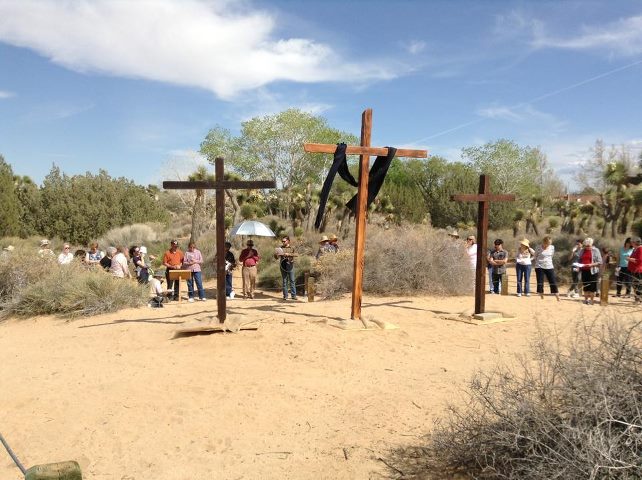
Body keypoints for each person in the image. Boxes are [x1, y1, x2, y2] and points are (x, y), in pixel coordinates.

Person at [533, 235, 560, 300]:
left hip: (549, 265)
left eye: (549, 243)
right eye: (547, 243)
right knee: (540, 281)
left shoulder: (552, 247)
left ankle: (556, 294)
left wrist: (547, 261)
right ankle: (541, 293)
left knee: (552, 280)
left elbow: (551, 256)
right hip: (539, 266)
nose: (548, 245)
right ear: (544, 242)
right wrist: (538, 263)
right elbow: (535, 256)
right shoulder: (538, 247)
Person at [577, 237, 602, 305]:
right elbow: (579, 260)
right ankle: (586, 300)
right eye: (586, 246)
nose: (587, 247)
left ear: (591, 244)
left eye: (589, 246)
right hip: (584, 270)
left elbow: (600, 262)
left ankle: (592, 300)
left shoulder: (596, 250)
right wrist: (578, 266)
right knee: (585, 286)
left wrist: (591, 265)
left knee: (592, 287)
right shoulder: (582, 250)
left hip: (593, 271)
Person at [275, 235, 297, 300]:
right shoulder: (280, 248)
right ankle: (285, 296)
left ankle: (293, 295)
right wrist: (276, 255)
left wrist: (289, 254)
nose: (283, 242)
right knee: (284, 281)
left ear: (288, 241)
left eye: (284, 241)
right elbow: (276, 257)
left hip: (290, 265)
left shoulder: (292, 248)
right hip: (283, 265)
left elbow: (296, 254)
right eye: (282, 241)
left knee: (292, 280)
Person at [627, 237, 642, 303]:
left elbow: (639, 260)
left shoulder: (640, 249)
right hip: (634, 270)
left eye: (632, 242)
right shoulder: (635, 249)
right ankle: (637, 298)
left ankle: (638, 299)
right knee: (635, 285)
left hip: (639, 270)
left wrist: (629, 259)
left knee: (638, 285)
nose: (631, 243)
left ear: (635, 242)